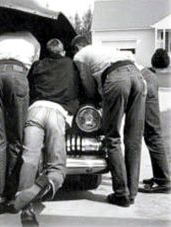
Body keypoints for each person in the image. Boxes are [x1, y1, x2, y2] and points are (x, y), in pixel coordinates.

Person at [71, 35, 146, 207]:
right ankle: (131, 193)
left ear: (77, 47)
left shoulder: (80, 55)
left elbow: (87, 85)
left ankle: (121, 193)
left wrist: (94, 102)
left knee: (112, 137)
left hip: (116, 77)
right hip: (137, 76)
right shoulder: (104, 50)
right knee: (133, 138)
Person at [13, 39, 79, 226]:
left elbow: (28, 88)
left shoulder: (37, 65)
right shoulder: (71, 64)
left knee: (30, 158)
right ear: (63, 52)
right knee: (57, 165)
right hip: (57, 113)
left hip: (35, 109)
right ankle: (44, 185)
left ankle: (26, 209)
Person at [0, 31, 40, 214]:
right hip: (18, 75)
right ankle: (11, 196)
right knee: (16, 139)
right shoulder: (32, 39)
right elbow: (34, 67)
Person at [138, 58, 171, 193]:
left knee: (152, 134)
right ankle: (161, 177)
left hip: (145, 80)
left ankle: (164, 180)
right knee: (152, 134)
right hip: (147, 79)